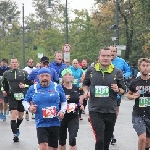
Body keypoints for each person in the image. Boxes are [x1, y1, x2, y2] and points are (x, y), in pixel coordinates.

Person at [83, 47, 125, 150]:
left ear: (111, 57)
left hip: (110, 110)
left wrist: (117, 89)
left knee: (106, 142)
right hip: (95, 110)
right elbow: (85, 84)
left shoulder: (117, 72)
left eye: (108, 56)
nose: (105, 58)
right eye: (103, 56)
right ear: (99, 57)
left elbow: (123, 90)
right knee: (100, 139)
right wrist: (86, 92)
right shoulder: (91, 70)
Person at [23, 68, 67, 150]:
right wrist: (29, 107)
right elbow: (25, 101)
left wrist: (62, 111)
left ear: (50, 77)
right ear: (38, 77)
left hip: (55, 122)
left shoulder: (57, 87)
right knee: (43, 146)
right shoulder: (33, 88)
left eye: (47, 76)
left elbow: (64, 102)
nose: (44, 78)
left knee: (53, 148)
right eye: (42, 76)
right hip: (41, 122)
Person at [1, 58, 31, 142]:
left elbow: (30, 84)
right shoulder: (6, 73)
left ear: (18, 64)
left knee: (21, 117)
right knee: (13, 115)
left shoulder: (23, 73)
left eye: (16, 62)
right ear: (10, 64)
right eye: (12, 62)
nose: (14, 64)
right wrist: (3, 90)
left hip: (21, 96)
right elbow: (2, 83)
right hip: (12, 96)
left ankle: (17, 127)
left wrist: (24, 85)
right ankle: (15, 135)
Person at [127, 58, 150, 150]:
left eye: (147, 66)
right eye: (143, 66)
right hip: (138, 114)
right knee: (142, 137)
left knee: (147, 142)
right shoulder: (135, 82)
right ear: (139, 67)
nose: (145, 68)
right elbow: (128, 94)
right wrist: (133, 96)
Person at [109, 45, 131, 144]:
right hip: (106, 92)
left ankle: (111, 129)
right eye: (111, 51)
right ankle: (109, 132)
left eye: (114, 51)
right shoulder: (104, 61)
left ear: (116, 52)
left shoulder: (121, 61)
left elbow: (129, 71)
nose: (112, 53)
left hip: (118, 91)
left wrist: (123, 76)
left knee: (115, 113)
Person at [58, 68, 82, 150]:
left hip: (74, 116)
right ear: (62, 77)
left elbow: (78, 100)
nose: (68, 76)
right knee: (61, 140)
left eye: (69, 74)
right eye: (65, 75)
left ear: (72, 77)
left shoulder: (76, 88)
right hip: (62, 117)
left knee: (72, 139)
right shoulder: (59, 89)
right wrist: (63, 98)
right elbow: (54, 101)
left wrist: (80, 104)